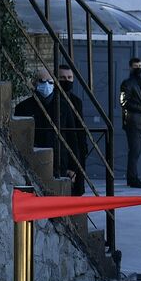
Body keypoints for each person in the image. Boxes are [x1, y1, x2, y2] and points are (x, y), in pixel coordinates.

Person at [55, 65, 88, 194]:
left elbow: (80, 129)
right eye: (62, 77)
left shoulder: (76, 101)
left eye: (69, 78)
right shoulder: (55, 100)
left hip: (77, 151)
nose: (67, 80)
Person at [119, 56, 141, 188]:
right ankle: (132, 178)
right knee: (134, 152)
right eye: (136, 66)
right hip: (133, 122)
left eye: (140, 66)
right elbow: (123, 102)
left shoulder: (139, 82)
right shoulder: (128, 83)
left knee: (136, 152)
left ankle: (133, 177)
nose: (139, 68)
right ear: (130, 67)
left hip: (139, 122)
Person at [15, 68, 60, 154]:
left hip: (58, 157)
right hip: (31, 155)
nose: (47, 84)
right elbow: (19, 136)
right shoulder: (22, 107)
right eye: (42, 81)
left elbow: (72, 137)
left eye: (50, 82)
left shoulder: (63, 106)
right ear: (34, 83)